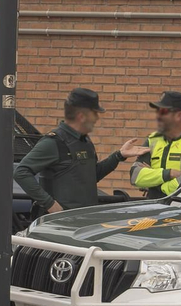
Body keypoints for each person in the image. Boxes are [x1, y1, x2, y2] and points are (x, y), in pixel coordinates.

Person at [15, 89, 148, 214]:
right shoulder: (54, 142)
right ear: (81, 116)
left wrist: (119, 155)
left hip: (82, 219)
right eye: (94, 113)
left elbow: (92, 176)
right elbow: (21, 172)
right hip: (59, 225)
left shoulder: (84, 141)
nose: (97, 118)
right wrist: (49, 204)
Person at [132, 92, 181, 199]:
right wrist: (170, 173)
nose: (158, 115)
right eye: (157, 111)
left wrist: (154, 182)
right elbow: (135, 176)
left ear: (179, 115)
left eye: (163, 111)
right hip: (153, 208)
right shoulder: (152, 140)